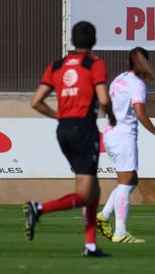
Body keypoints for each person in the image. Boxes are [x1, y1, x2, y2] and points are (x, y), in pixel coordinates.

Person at [24, 21, 116, 257]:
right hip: (84, 128)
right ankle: (39, 208)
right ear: (94, 42)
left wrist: (59, 116)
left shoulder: (56, 66)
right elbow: (104, 100)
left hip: (63, 130)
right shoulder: (94, 64)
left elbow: (36, 101)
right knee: (85, 193)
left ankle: (91, 245)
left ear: (72, 41)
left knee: (93, 189)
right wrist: (112, 116)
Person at [96, 47, 155, 243]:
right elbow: (140, 113)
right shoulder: (137, 84)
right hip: (124, 136)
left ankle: (104, 215)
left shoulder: (119, 79)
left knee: (131, 180)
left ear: (129, 63)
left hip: (110, 133)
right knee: (125, 182)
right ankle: (120, 232)